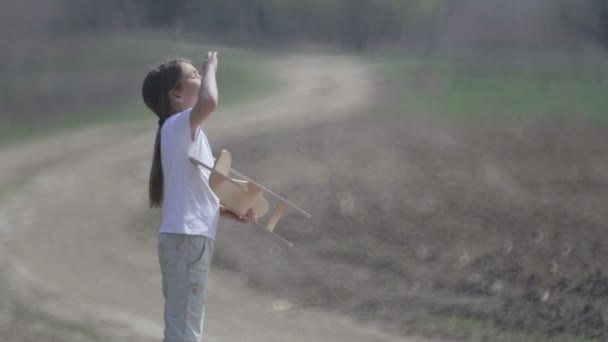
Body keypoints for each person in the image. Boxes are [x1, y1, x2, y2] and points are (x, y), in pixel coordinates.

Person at [142, 51, 253, 342]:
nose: (201, 77)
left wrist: (221, 210)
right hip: (187, 241)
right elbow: (210, 101)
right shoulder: (178, 125)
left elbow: (193, 191)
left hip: (187, 240)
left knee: (184, 327)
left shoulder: (183, 132)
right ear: (176, 95)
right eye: (193, 75)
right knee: (185, 332)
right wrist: (212, 67)